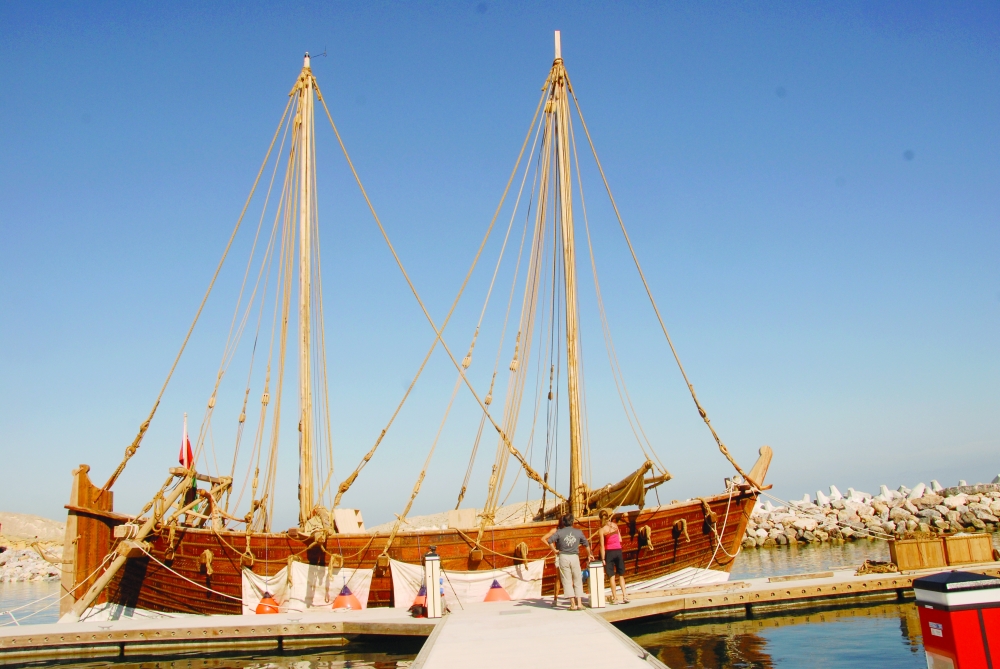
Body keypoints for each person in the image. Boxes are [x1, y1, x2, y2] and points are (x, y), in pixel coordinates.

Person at [541, 513, 593, 610]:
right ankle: (580, 604)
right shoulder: (578, 532)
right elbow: (586, 544)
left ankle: (572, 604)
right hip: (574, 556)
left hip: (563, 556)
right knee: (577, 579)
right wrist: (589, 554)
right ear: (572, 521)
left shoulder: (559, 532)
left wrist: (554, 550)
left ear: (564, 522)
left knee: (567, 581)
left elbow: (550, 540)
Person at [598, 508, 629, 604]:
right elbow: (620, 539)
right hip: (618, 551)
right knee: (621, 575)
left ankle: (615, 598)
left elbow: (602, 546)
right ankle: (625, 596)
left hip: (609, 553)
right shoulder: (615, 526)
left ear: (600, 518)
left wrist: (603, 559)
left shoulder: (602, 530)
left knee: (611, 576)